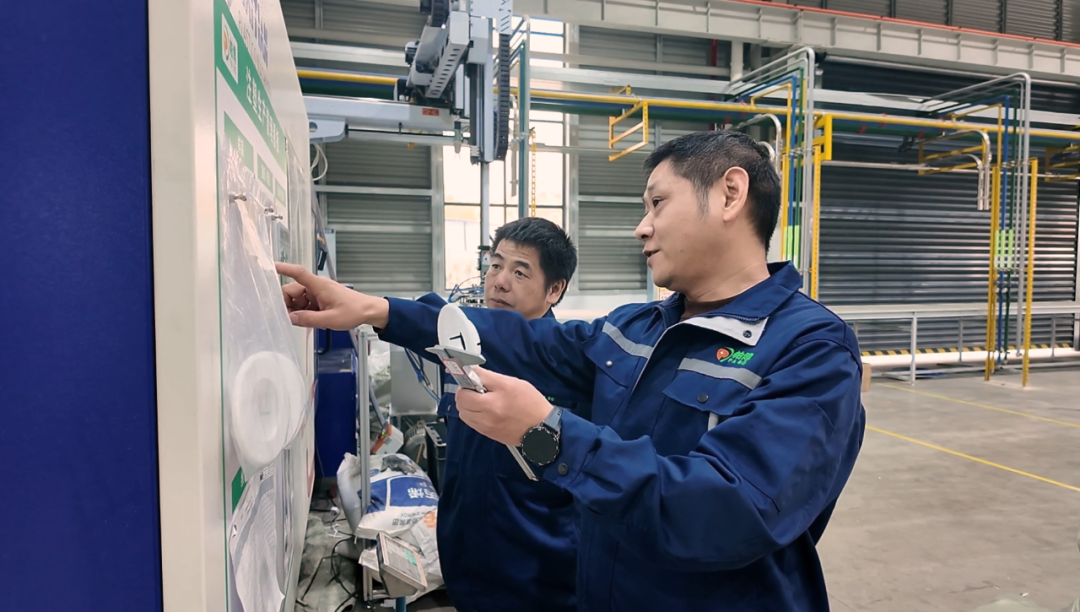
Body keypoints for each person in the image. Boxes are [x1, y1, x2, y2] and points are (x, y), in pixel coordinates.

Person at [278, 130, 866, 612]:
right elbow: (527, 341)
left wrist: (548, 435)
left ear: (730, 194)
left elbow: (729, 509)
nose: (642, 226)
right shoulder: (636, 328)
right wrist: (377, 310)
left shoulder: (810, 347)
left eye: (658, 203)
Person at [384, 216, 585, 612]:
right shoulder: (465, 353)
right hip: (466, 557)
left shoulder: (567, 366)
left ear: (554, 289)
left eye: (520, 272)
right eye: (495, 265)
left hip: (536, 572)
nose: (499, 282)